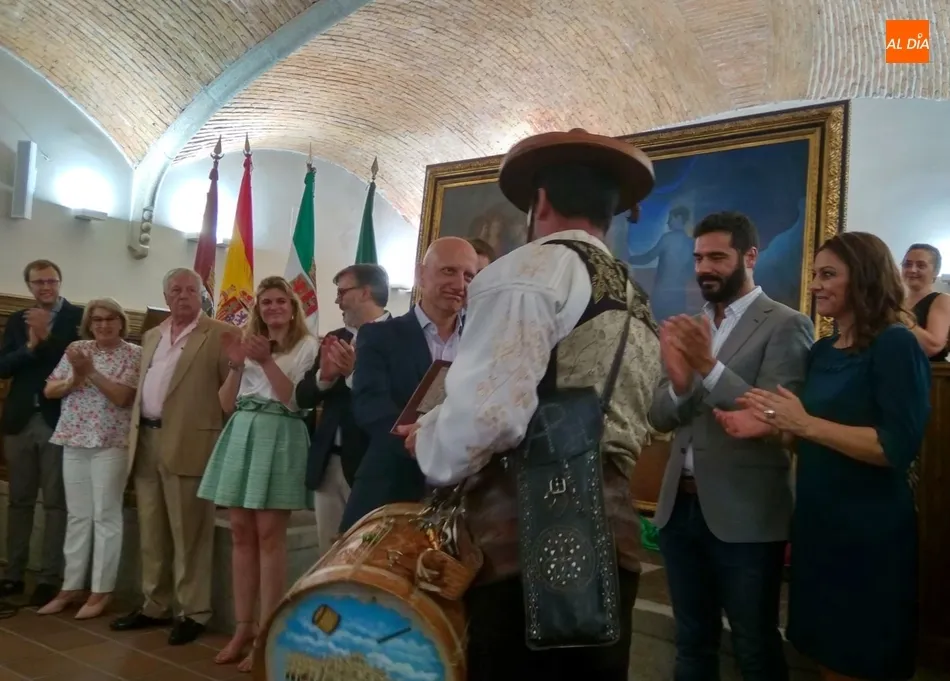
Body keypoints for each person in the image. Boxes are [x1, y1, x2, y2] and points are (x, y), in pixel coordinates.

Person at [398, 128, 662, 680]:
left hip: (526, 538)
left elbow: (491, 417)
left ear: (539, 202)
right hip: (611, 536)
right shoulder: (634, 294)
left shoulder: (528, 271)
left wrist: (429, 441)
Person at [720, 232, 930, 681]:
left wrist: (803, 424)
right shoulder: (820, 351)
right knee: (822, 654)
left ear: (865, 278)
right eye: (816, 274)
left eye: (829, 274)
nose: (815, 284)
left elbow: (896, 446)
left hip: (868, 533)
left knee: (858, 659)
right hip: (819, 527)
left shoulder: (896, 344)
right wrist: (771, 429)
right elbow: (809, 437)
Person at [648, 211, 814, 681]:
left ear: (750, 256)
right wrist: (680, 386)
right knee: (691, 642)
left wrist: (708, 368)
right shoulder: (689, 324)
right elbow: (657, 416)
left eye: (717, 257)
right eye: (699, 258)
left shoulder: (786, 324)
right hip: (680, 509)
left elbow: (776, 414)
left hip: (747, 514)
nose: (704, 268)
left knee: (754, 644)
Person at [199, 276, 318, 671]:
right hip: (243, 431)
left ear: (293, 307)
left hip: (281, 432)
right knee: (239, 531)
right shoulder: (248, 343)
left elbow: (294, 402)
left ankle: (268, 631)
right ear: (258, 309)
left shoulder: (307, 345)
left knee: (269, 536)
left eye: (280, 301)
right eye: (266, 302)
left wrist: (266, 361)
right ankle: (243, 627)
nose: (273, 308)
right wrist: (236, 365)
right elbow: (226, 403)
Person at [110, 268, 231, 646]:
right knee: (151, 529)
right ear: (165, 297)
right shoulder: (152, 334)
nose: (182, 295)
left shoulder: (221, 334)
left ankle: (193, 611)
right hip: (146, 437)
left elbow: (233, 392)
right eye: (175, 290)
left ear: (202, 295)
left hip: (191, 442)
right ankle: (155, 604)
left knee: (189, 532)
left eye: (190, 290)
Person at [339, 237, 478, 532]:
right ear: (420, 274)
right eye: (449, 271)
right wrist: (419, 440)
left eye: (469, 276)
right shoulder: (380, 335)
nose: (460, 284)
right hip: (391, 485)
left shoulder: (481, 341)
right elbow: (369, 404)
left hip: (464, 497)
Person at [37, 298, 141, 619]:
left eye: (110, 319)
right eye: (97, 320)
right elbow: (50, 390)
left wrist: (90, 372)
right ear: (89, 324)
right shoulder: (77, 348)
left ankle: (101, 591)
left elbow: (122, 397)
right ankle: (70, 586)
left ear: (121, 322)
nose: (103, 325)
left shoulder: (134, 354)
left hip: (111, 443)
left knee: (106, 515)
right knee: (78, 515)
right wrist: (74, 380)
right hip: (74, 439)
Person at [0, 259, 82, 607]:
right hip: (20, 419)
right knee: (19, 500)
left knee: (55, 502)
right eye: (38, 282)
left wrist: (46, 338)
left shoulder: (78, 317)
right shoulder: (18, 320)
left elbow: (77, 363)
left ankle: (49, 577)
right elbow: (3, 367)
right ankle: (13, 574)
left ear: (60, 282)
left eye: (51, 281)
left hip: (57, 419)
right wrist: (29, 347)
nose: (46, 287)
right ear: (29, 286)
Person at [296, 264, 390, 555]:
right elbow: (302, 397)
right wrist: (324, 378)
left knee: (365, 554)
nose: (337, 301)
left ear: (365, 292)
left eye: (342, 292)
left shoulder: (399, 336)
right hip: (328, 462)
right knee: (328, 553)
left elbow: (399, 399)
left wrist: (353, 375)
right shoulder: (335, 338)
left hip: (370, 464)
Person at [901, 242, 950, 361]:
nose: (912, 270)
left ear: (935, 272)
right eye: (907, 264)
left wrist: (901, 317)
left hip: (928, 369)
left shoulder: (942, 300)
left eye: (921, 266)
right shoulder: (898, 303)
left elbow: (933, 347)